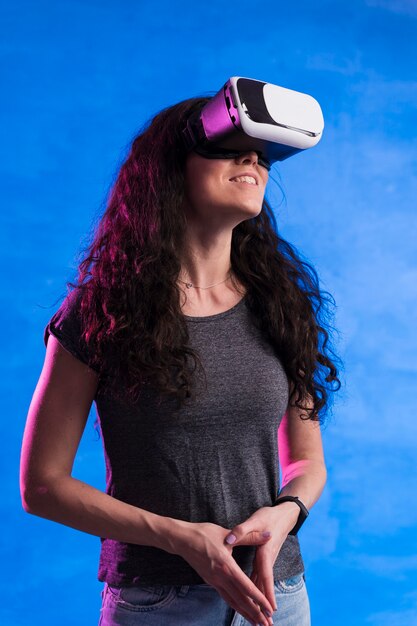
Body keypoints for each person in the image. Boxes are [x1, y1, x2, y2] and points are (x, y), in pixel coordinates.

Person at [20, 95, 341, 626]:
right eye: (229, 149)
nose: (253, 161)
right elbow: (43, 484)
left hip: (277, 594)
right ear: (171, 172)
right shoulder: (103, 312)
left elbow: (307, 462)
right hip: (159, 603)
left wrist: (285, 515)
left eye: (260, 154)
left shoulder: (281, 304)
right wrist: (182, 539)